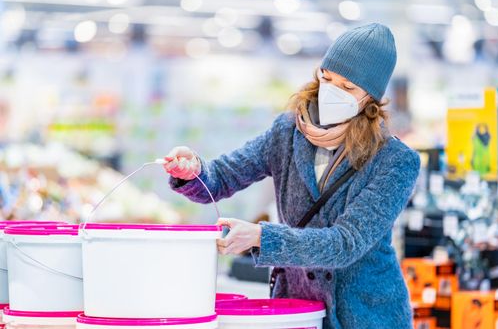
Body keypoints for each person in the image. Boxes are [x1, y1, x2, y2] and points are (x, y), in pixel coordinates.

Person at [164, 23, 420, 329]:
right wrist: (193, 171)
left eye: (348, 87)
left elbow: (345, 244)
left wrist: (262, 237)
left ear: (371, 97)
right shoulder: (287, 132)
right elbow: (222, 177)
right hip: (297, 310)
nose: (332, 91)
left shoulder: (395, 161)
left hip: (365, 316)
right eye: (327, 78)